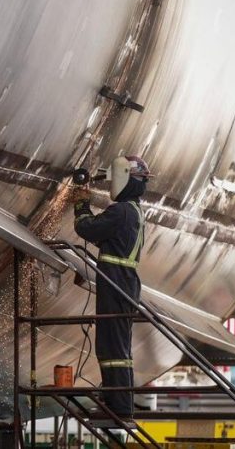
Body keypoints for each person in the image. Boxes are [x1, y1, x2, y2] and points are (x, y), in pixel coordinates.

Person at [72, 155, 153, 421]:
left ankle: (118, 407)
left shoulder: (121, 211)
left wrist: (81, 204)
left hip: (116, 283)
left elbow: (87, 229)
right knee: (114, 346)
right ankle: (116, 402)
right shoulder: (134, 211)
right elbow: (109, 239)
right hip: (123, 282)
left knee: (113, 348)